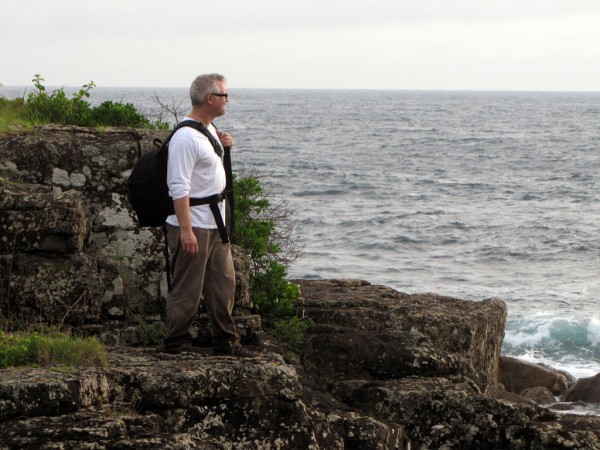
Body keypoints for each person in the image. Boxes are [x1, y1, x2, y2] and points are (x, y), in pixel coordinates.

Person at [159, 73, 250, 356]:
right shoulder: (186, 137)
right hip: (194, 224)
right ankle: (177, 342)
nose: (227, 100)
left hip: (215, 223)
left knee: (223, 283)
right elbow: (178, 186)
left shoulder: (209, 130)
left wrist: (226, 148)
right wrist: (185, 230)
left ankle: (225, 341)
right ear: (210, 98)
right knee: (188, 286)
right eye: (224, 95)